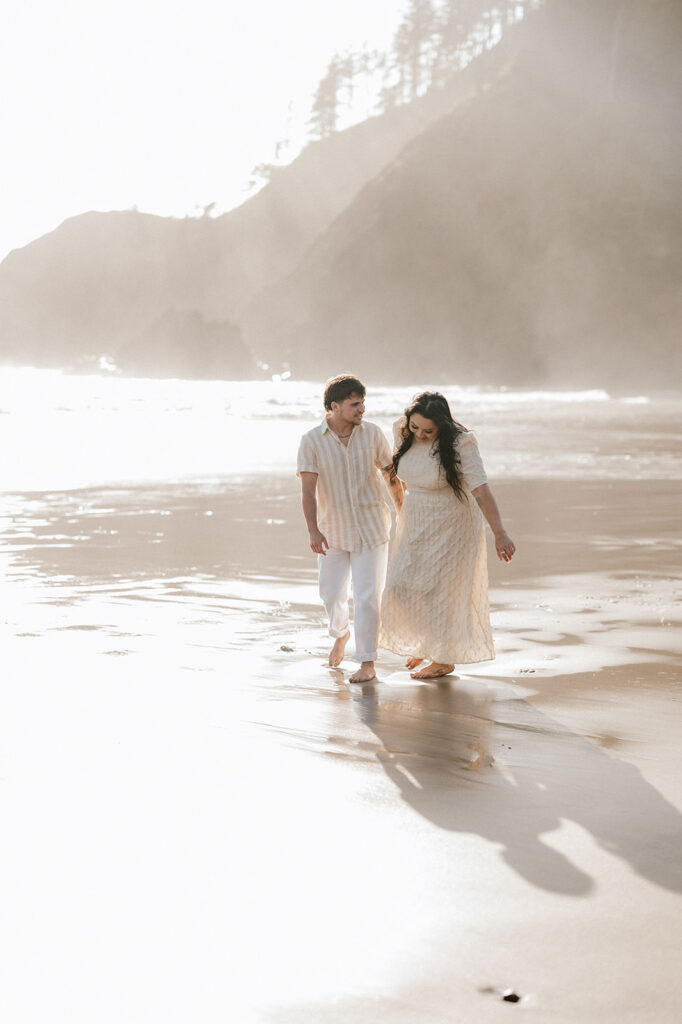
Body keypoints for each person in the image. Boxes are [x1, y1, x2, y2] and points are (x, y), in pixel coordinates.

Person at [379, 391, 515, 679]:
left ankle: (443, 659)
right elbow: (393, 475)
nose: (420, 434)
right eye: (415, 427)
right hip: (416, 519)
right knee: (400, 585)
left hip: (453, 523)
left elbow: (480, 490)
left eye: (429, 430)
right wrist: (401, 510)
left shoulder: (461, 443)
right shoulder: (401, 431)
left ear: (442, 425)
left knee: (440, 592)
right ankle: (424, 641)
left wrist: (499, 533)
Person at [297, 374, 403, 682]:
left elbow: (390, 474)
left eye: (363, 403)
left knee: (369, 595)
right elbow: (307, 490)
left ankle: (368, 662)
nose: (362, 410)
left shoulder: (372, 434)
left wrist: (402, 511)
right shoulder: (311, 440)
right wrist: (313, 531)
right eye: (355, 405)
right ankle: (340, 633)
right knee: (331, 593)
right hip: (332, 532)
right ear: (334, 406)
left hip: (372, 528)